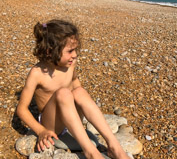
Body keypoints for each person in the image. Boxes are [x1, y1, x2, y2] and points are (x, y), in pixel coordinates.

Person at [17, 19, 132, 159]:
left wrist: (85, 109)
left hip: (71, 116)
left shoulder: (70, 65)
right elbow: (21, 109)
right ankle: (91, 152)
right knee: (64, 93)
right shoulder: (37, 73)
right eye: (70, 51)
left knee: (79, 91)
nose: (75, 55)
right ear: (50, 51)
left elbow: (76, 85)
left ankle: (114, 146)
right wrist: (40, 131)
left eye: (76, 49)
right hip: (52, 124)